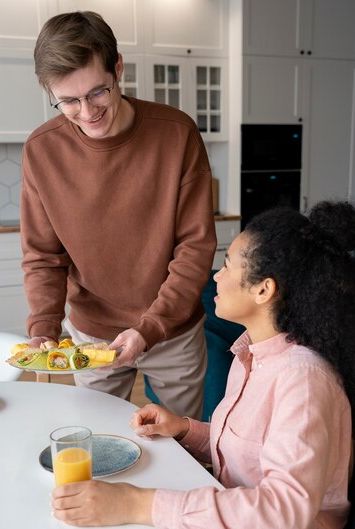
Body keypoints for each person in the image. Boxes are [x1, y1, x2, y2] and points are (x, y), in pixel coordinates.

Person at [51, 201, 355, 529]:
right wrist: (186, 429)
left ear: (264, 290)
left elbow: (280, 520)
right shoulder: (251, 354)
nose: (216, 276)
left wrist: (137, 504)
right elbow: (255, 450)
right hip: (241, 521)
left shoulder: (303, 381)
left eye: (228, 265)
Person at [20, 11, 216, 419]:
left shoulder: (177, 134)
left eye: (97, 93)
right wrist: (44, 327)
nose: (87, 112)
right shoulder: (42, 151)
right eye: (69, 101)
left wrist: (150, 329)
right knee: (99, 440)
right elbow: (43, 256)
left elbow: (195, 247)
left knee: (184, 450)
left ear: (118, 68)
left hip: (172, 333)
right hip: (91, 335)